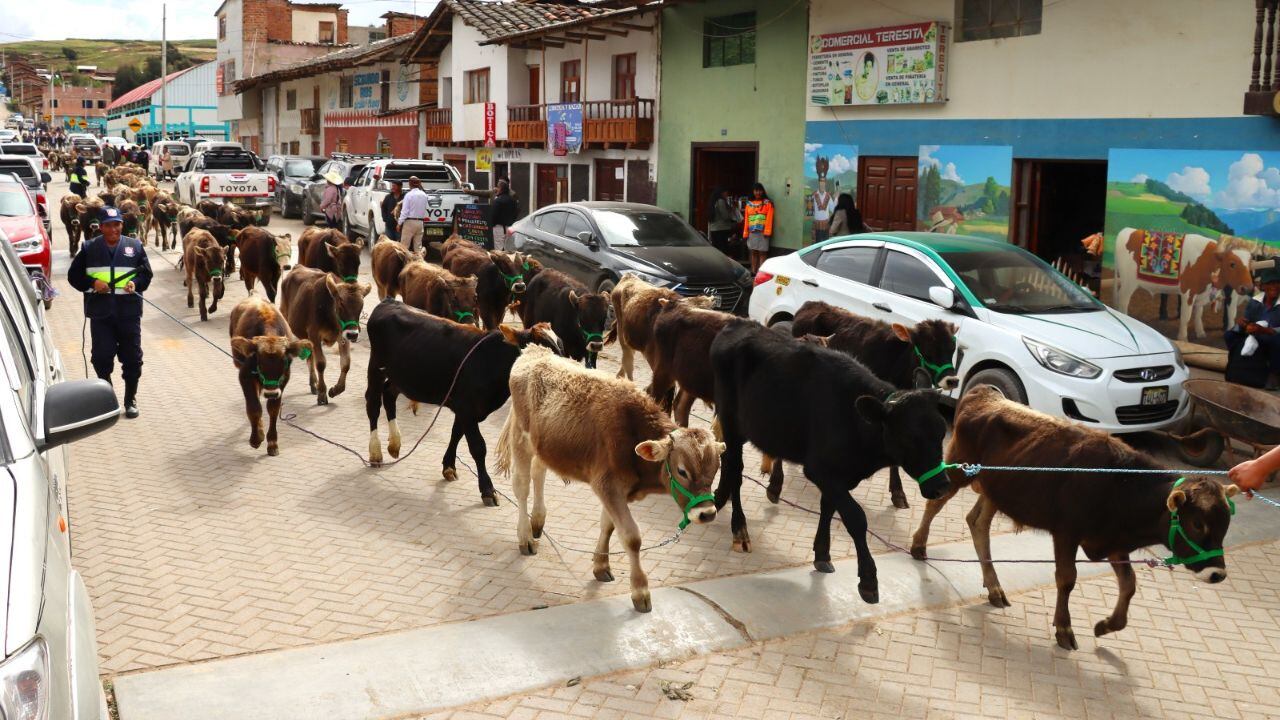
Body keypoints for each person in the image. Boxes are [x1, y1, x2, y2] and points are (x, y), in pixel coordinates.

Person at [67, 206, 153, 418]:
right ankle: (108, 395)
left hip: (129, 314)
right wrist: (93, 283)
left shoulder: (135, 246)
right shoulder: (88, 248)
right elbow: (73, 276)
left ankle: (130, 399)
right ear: (101, 227)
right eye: (108, 225)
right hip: (100, 314)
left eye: (117, 224)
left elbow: (147, 275)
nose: (113, 229)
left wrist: (135, 283)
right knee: (101, 357)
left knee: (132, 358)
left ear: (122, 225)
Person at [1225, 266, 1280, 389]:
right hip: (1255, 334)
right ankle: (1237, 365)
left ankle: (1274, 373)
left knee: (1276, 340)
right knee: (1230, 335)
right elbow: (1247, 320)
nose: (1274, 286)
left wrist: (1265, 330)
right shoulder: (1255, 301)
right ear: (1262, 286)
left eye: (1277, 283)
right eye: (1270, 283)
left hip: (1272, 337)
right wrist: (1242, 324)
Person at [742, 182, 774, 274]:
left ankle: (761, 273)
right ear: (753, 192)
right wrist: (745, 233)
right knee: (753, 252)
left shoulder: (768, 203)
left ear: (763, 191)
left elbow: (769, 218)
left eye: (760, 190)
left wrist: (767, 232)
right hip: (752, 233)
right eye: (756, 190)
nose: (758, 192)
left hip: (763, 232)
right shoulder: (749, 204)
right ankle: (753, 272)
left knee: (762, 252)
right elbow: (747, 220)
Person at [397, 175, 430, 252]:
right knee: (418, 247)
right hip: (420, 222)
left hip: (410, 222)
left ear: (410, 184)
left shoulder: (409, 195)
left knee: (404, 247)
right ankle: (418, 262)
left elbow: (405, 211)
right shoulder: (424, 195)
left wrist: (399, 223)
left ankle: (404, 263)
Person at [707, 187, 739, 256]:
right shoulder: (720, 201)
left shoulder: (712, 201)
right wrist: (732, 212)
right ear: (722, 193)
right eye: (726, 193)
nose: (727, 195)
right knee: (724, 249)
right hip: (721, 229)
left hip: (714, 229)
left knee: (716, 250)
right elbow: (725, 216)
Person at [488, 179, 518, 251]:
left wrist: (492, 225)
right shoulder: (513, 200)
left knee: (499, 249)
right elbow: (516, 213)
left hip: (499, 228)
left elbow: (493, 215)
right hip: (510, 227)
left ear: (500, 188)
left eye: (497, 187)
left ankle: (500, 262)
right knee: (509, 249)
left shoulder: (497, 201)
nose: (496, 189)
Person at [810, 178, 835, 245]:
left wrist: (836, 198)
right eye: (821, 184)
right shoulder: (813, 195)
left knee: (826, 245)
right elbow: (809, 209)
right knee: (816, 245)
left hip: (826, 226)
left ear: (825, 185)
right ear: (819, 184)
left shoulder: (828, 196)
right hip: (817, 225)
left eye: (823, 184)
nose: (822, 186)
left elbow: (833, 209)